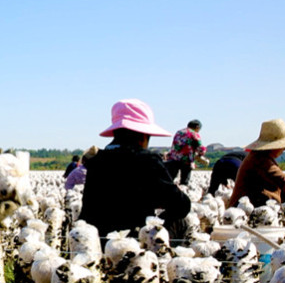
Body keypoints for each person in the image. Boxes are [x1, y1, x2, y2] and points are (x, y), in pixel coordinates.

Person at [78, 99, 191, 237]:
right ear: (143, 136)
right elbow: (181, 205)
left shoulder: (97, 160)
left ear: (115, 132)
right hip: (134, 245)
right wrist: (157, 221)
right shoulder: (148, 160)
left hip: (97, 241)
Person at [228, 119, 285, 210]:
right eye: (282, 145)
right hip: (244, 211)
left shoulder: (263, 157)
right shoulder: (260, 160)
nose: (284, 149)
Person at [165, 119, 207, 186]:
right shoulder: (194, 133)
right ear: (197, 127)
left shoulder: (179, 132)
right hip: (186, 160)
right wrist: (202, 152)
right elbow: (200, 148)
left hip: (173, 159)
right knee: (184, 182)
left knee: (169, 179)